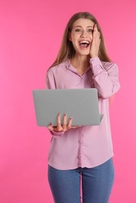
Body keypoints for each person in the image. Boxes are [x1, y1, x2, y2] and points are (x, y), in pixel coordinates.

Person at [45, 11, 120, 203]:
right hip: (62, 161)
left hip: (99, 159)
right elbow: (52, 119)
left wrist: (95, 58)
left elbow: (105, 92)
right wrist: (55, 129)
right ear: (70, 36)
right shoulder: (55, 73)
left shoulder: (109, 69)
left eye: (90, 31)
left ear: (97, 37)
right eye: (78, 30)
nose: (84, 35)